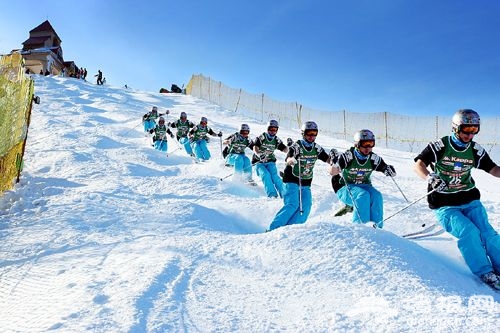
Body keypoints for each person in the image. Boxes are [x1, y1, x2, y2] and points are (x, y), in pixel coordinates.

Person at [414, 109, 500, 290]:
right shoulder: (441, 146)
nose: (470, 134)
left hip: (469, 199)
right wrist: (430, 177)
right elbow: (419, 165)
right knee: (468, 232)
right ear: (455, 128)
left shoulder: (475, 150)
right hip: (445, 203)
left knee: (487, 232)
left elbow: (493, 169)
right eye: (466, 129)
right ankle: (485, 271)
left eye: (474, 130)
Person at [268, 121, 335, 231]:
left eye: (314, 133)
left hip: (306, 182)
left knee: (305, 207)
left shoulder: (317, 148)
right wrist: (292, 160)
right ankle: (273, 229)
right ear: (303, 133)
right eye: (309, 133)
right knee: (292, 205)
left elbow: (327, 159)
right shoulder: (297, 146)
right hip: (291, 179)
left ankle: (289, 230)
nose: (311, 136)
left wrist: (334, 160)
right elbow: (288, 158)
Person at [332, 129, 396, 229]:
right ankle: (359, 229)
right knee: (363, 195)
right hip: (345, 187)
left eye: (371, 144)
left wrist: (388, 170)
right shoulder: (349, 156)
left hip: (364, 186)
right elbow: (332, 172)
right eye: (365, 144)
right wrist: (335, 164)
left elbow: (384, 167)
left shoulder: (373, 158)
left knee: (377, 196)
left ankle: (377, 229)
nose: (368, 148)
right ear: (357, 144)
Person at [252, 120, 290, 197]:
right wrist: (259, 154)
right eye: (271, 129)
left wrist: (289, 147)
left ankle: (284, 194)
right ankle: (272, 195)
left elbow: (284, 149)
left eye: (275, 130)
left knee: (274, 176)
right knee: (266, 175)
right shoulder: (262, 137)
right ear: (267, 129)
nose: (273, 131)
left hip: (270, 161)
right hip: (259, 162)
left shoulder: (276, 140)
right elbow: (255, 147)